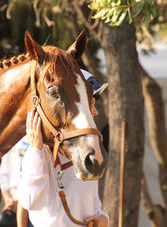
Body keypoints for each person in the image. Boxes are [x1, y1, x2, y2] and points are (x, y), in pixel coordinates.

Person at [17, 70, 109, 227]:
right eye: (90, 103)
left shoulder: (86, 148)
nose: (95, 111)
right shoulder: (40, 150)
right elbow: (30, 201)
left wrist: (103, 218)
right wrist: (35, 150)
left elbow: (91, 201)